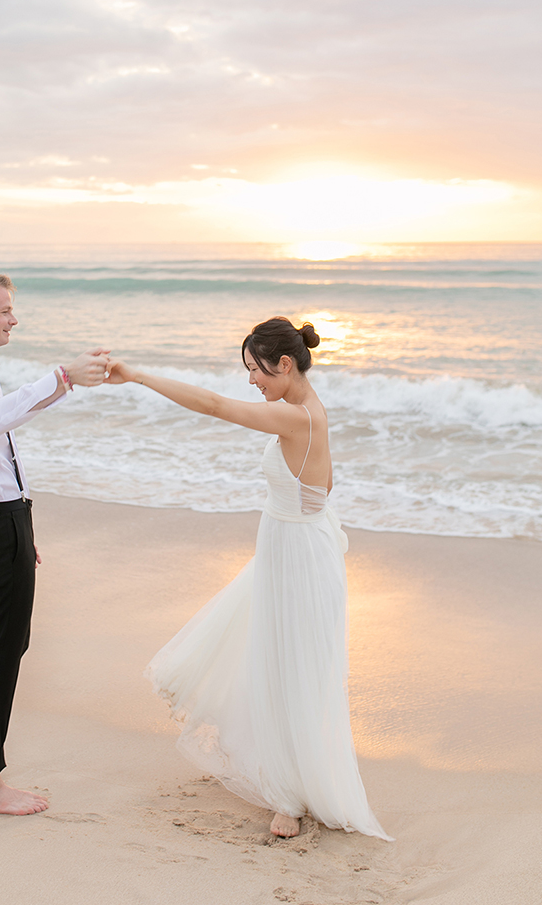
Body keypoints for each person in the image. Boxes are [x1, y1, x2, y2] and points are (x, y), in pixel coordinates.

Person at [106, 317, 391, 841]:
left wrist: (138, 376)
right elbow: (326, 483)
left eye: (256, 371)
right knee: (277, 662)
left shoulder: (297, 418)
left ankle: (290, 795)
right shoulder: (308, 411)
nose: (252, 381)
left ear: (285, 364)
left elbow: (214, 407)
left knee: (292, 670)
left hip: (299, 558)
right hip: (292, 547)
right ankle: (287, 778)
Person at [0, 268, 109, 816]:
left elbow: (2, 441)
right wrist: (63, 377)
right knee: (5, 650)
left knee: (3, 643)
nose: (14, 317)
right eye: (6, 309)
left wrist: (21, 529)